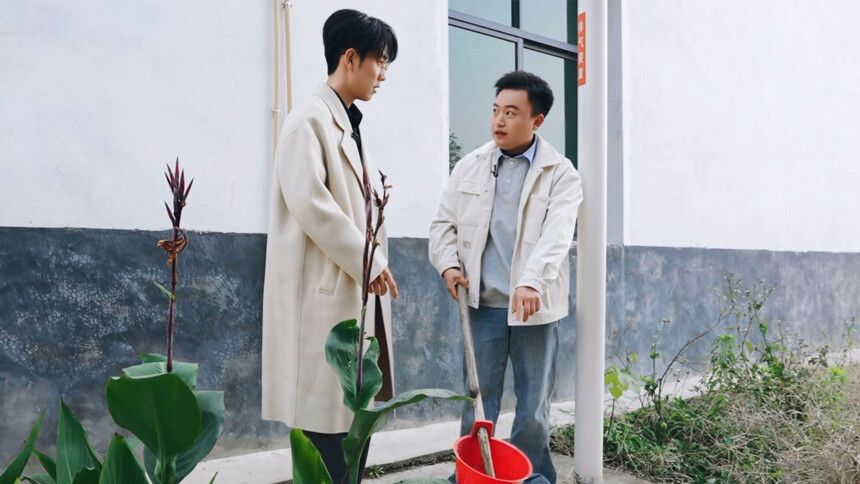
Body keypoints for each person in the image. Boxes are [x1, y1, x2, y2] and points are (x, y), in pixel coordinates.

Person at [262, 9, 399, 483]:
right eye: (380, 61)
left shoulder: (346, 122)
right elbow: (312, 204)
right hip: (324, 298)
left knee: (352, 426)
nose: (383, 74)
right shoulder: (308, 121)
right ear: (351, 57)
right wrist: (370, 261)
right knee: (327, 433)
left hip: (348, 295)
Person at [429, 71, 583, 484]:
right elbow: (443, 225)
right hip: (482, 306)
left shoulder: (561, 173)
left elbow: (557, 235)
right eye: (496, 110)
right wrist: (448, 264)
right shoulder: (471, 165)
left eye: (511, 112)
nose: (499, 120)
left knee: (533, 408)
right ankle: (471, 477)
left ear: (537, 120)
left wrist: (532, 281)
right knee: (477, 406)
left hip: (535, 308)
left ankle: (531, 478)